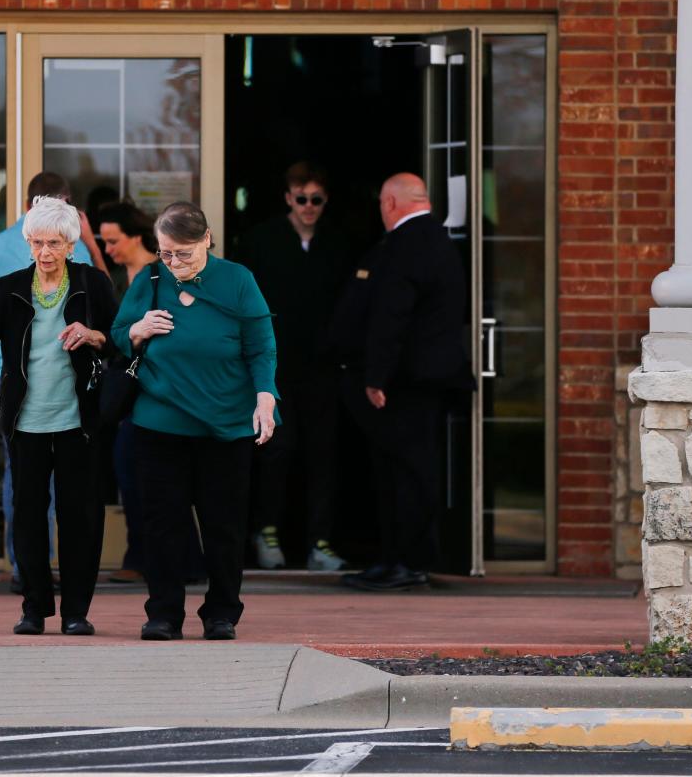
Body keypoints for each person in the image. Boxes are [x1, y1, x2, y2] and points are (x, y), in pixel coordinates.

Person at [0, 196, 118, 635]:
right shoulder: (10, 289)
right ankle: (34, 608)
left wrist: (94, 335)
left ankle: (77, 611)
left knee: (80, 518)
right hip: (26, 422)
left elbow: (121, 345)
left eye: (54, 243)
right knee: (28, 517)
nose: (44, 252)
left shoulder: (93, 284)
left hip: (79, 422)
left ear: (71, 245)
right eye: (37, 242)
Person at [111, 201, 279, 641]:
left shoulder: (238, 280)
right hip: (159, 423)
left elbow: (261, 347)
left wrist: (265, 399)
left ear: (206, 240)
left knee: (224, 525)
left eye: (183, 253)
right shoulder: (150, 278)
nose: (174, 263)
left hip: (225, 426)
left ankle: (221, 612)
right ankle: (163, 613)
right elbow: (117, 334)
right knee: (162, 525)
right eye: (166, 253)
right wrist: (136, 329)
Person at [330, 173, 473, 591]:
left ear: (390, 203)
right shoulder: (436, 240)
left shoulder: (407, 245)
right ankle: (394, 558)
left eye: (380, 205)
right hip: (423, 378)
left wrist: (375, 376)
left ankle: (408, 562)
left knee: (407, 471)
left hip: (407, 381)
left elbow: (392, 315)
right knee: (400, 469)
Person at [0, 171, 98, 593]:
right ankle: (43, 566)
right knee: (54, 475)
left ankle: (26, 567)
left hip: (5, 374)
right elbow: (103, 299)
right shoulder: (73, 249)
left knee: (19, 473)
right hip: (56, 374)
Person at [237, 162, 352, 571]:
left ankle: (320, 541)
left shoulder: (337, 244)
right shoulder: (262, 240)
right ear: (288, 197)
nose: (308, 206)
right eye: (301, 198)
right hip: (275, 365)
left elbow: (348, 303)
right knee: (276, 448)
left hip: (322, 366)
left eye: (316, 199)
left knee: (324, 453)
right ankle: (266, 531)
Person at [97, 201, 205, 585]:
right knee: (133, 477)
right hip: (125, 388)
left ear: (136, 237)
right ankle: (149, 557)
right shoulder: (114, 277)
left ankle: (170, 560)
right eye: (103, 242)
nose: (108, 248)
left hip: (158, 389)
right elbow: (117, 331)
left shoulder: (158, 275)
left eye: (113, 241)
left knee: (157, 481)